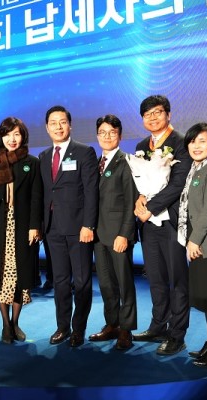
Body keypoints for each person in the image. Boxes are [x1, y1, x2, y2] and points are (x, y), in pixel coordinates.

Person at [131, 95, 192, 355]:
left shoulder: (181, 142)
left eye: (157, 112)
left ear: (168, 114)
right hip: (148, 225)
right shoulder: (141, 145)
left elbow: (179, 183)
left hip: (172, 221)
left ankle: (177, 335)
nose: (152, 118)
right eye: (147, 114)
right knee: (155, 277)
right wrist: (139, 199)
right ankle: (158, 325)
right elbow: (139, 180)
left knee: (177, 280)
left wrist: (151, 208)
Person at [39, 105, 99, 348]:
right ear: (47, 128)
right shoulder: (44, 157)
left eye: (62, 122)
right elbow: (45, 193)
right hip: (52, 228)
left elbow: (92, 192)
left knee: (82, 281)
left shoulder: (84, 152)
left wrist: (88, 225)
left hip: (78, 228)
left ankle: (79, 328)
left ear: (70, 125)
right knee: (60, 281)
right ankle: (62, 326)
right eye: (53, 123)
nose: (58, 127)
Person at [0, 117, 42, 343]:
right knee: (1, 277)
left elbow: (37, 196)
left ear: (23, 136)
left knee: (20, 276)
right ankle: (5, 325)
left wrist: (35, 226)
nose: (12, 139)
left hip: (23, 226)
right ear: (1, 137)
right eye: (8, 134)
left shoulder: (32, 162)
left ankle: (15, 322)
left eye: (17, 134)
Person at [176, 123, 207, 367]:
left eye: (202, 141)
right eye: (192, 141)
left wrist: (194, 240)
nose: (196, 146)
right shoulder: (196, 169)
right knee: (206, 299)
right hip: (197, 242)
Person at [89, 115, 138, 350]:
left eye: (112, 132)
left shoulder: (126, 162)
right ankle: (112, 324)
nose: (107, 136)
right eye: (102, 132)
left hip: (118, 235)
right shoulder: (94, 164)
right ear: (97, 135)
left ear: (120, 135)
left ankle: (126, 330)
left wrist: (125, 234)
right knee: (107, 285)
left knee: (124, 284)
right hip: (98, 235)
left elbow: (131, 201)